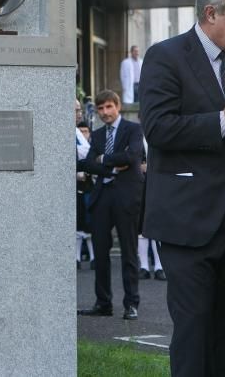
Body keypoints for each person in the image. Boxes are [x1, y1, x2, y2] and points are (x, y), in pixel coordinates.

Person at [140, 0, 225, 377]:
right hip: (189, 221)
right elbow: (157, 128)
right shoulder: (166, 56)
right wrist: (220, 121)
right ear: (211, 13)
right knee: (194, 331)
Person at [77, 90, 145, 321]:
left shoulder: (133, 129)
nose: (105, 112)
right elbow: (87, 164)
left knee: (128, 251)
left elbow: (134, 156)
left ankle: (131, 304)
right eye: (100, 108)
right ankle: (103, 302)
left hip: (126, 196)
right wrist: (112, 167)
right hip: (102, 196)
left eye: (108, 107)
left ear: (117, 106)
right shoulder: (96, 136)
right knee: (101, 252)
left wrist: (104, 159)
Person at [75, 100, 94, 269]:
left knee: (88, 223)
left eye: (80, 110)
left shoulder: (78, 134)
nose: (79, 113)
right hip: (75, 186)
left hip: (87, 185)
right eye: (76, 110)